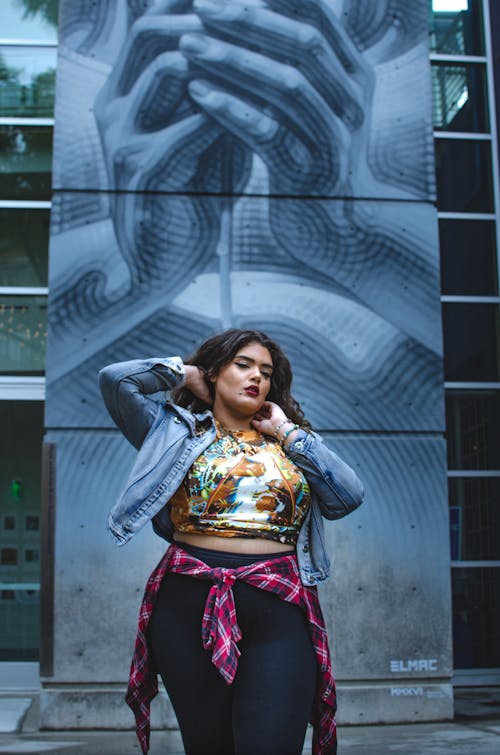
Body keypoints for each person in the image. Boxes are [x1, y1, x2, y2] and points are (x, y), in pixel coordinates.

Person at [99, 328, 364, 755]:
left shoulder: (291, 445)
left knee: (271, 743)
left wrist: (287, 430)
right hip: (186, 603)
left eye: (265, 371)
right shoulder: (172, 432)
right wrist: (184, 374)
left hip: (277, 606)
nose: (256, 376)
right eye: (243, 365)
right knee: (209, 746)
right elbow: (116, 379)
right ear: (216, 372)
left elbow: (348, 495)